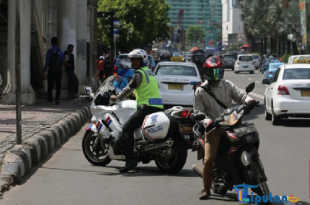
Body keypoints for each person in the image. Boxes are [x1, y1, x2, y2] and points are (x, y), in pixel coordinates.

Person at [194, 56, 256, 200]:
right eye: (211, 72)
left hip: (232, 123)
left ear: (221, 72)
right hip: (213, 129)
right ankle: (206, 189)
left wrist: (249, 101)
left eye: (217, 72)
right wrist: (207, 121)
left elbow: (240, 95)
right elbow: (198, 112)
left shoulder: (227, 85)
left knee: (248, 140)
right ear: (205, 73)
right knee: (209, 159)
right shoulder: (201, 91)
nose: (214, 76)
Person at [110, 49, 163, 173]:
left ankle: (130, 161)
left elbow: (129, 87)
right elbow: (148, 88)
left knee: (127, 129)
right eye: (132, 60)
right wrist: (135, 94)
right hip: (158, 106)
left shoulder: (138, 73)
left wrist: (117, 97)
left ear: (142, 60)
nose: (134, 62)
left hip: (146, 107)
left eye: (136, 59)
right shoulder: (149, 72)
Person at [43, 37, 64, 105]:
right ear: (57, 43)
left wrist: (44, 70)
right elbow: (62, 62)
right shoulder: (60, 52)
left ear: (51, 43)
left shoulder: (49, 52)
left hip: (51, 70)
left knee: (50, 85)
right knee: (58, 85)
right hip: (58, 71)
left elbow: (47, 62)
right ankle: (57, 99)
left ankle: (50, 98)